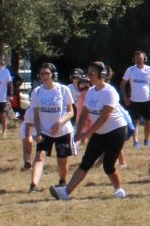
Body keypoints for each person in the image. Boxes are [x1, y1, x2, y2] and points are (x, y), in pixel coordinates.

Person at [49, 62, 130, 200]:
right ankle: (66, 192)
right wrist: (78, 132)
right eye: (88, 72)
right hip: (99, 132)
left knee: (108, 166)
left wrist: (87, 133)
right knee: (86, 162)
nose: (89, 76)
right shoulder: (91, 92)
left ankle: (118, 190)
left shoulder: (110, 92)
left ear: (102, 75)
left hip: (115, 131)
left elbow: (103, 118)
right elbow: (84, 113)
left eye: (92, 73)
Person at [27, 63, 78, 193]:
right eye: (42, 74)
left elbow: (71, 111)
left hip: (62, 131)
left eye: (47, 73)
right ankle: (33, 185)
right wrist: (37, 132)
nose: (44, 76)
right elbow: (36, 115)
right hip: (45, 131)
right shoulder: (37, 91)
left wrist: (60, 122)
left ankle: (62, 181)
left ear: (53, 75)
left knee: (62, 159)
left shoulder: (63, 89)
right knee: (39, 156)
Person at [121, 50, 150, 150]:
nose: (139, 60)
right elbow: (122, 85)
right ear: (134, 59)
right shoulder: (130, 70)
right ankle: (136, 141)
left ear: (144, 59)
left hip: (147, 100)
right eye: (137, 58)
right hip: (134, 101)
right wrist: (125, 97)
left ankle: (147, 140)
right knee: (135, 122)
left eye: (141, 58)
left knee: (148, 121)